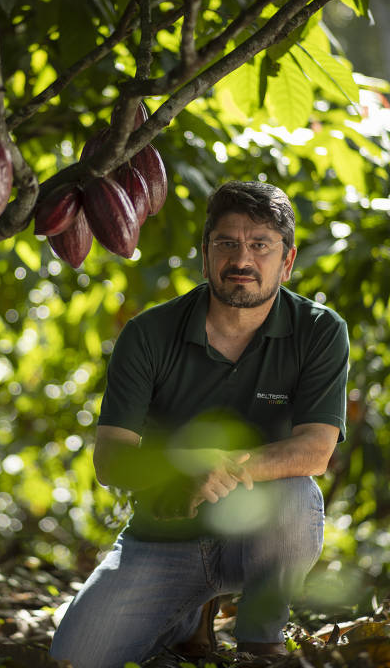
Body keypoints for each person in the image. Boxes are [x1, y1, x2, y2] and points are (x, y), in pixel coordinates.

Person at [50, 180, 349, 668]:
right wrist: (185, 465)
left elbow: (314, 450)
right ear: (205, 253)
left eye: (260, 246)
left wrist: (220, 467)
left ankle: (261, 641)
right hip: (162, 536)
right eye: (227, 243)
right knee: (74, 658)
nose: (242, 260)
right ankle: (189, 617)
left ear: (287, 261)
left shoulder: (319, 330)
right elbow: (110, 460)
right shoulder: (148, 333)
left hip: (258, 535)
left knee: (298, 497)